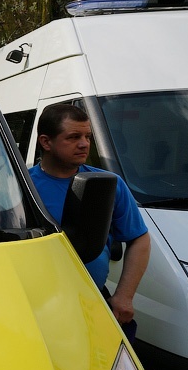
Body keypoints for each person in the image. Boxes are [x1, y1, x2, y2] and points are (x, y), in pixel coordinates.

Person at [29, 103, 150, 334]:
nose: (84, 144)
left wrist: (124, 296)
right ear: (46, 142)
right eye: (73, 137)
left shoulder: (109, 184)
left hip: (92, 303)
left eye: (87, 136)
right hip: (36, 306)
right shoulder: (21, 187)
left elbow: (139, 239)